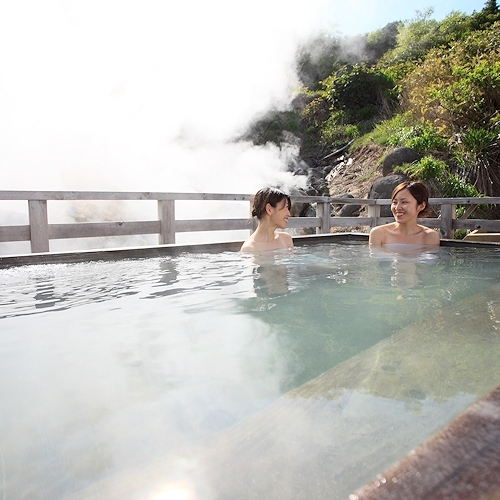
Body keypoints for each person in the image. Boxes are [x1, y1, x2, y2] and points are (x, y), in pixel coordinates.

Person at [369, 181, 440, 246]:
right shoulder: (379, 234)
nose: (397, 207)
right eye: (395, 202)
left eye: (404, 202)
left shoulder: (430, 237)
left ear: (421, 206)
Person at [240, 187, 293, 252]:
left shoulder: (286, 240)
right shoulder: (250, 248)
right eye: (286, 207)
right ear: (269, 209)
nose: (289, 214)